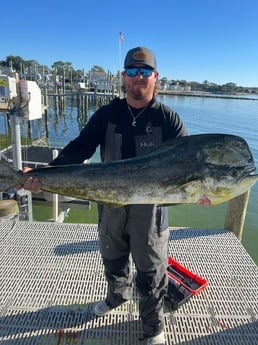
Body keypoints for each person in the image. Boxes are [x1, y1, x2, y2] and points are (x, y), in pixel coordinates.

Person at [20, 46, 210, 345]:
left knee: (151, 271)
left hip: (150, 210)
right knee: (112, 257)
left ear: (155, 77)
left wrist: (202, 190)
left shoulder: (168, 120)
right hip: (110, 203)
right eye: (132, 72)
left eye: (145, 72)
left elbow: (188, 164)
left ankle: (153, 326)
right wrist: (43, 174)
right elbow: (79, 149)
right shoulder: (108, 114)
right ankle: (117, 297)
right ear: (123, 77)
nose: (138, 78)